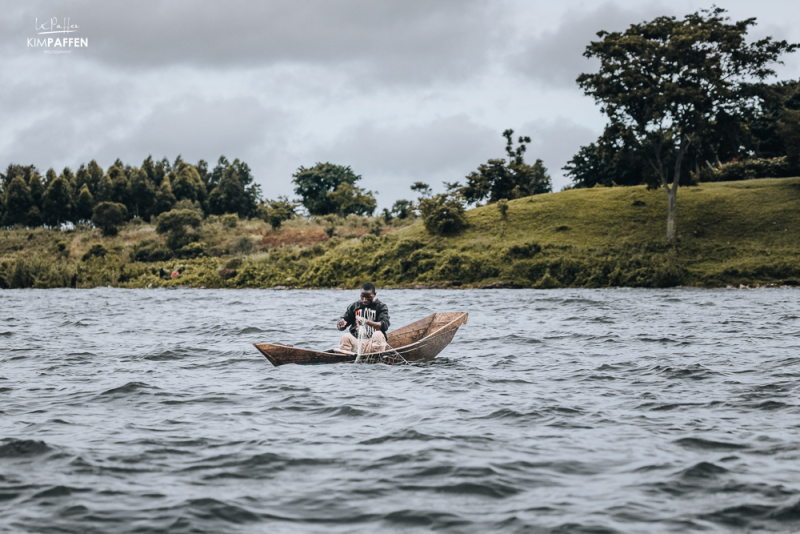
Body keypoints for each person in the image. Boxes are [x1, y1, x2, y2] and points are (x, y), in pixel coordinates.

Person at [337, 282, 390, 354]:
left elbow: (384, 325)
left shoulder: (381, 306)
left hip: (373, 343)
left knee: (378, 334)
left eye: (368, 297)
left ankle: (377, 358)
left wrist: (367, 322)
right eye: (362, 297)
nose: (364, 300)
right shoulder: (354, 306)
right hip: (357, 342)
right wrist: (341, 324)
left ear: (374, 294)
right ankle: (347, 359)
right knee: (345, 337)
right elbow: (343, 322)